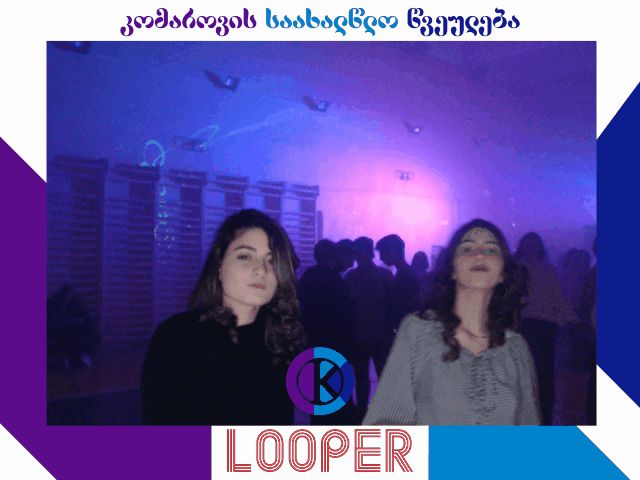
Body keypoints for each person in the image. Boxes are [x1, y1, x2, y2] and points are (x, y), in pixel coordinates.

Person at [364, 219, 539, 425]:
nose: (480, 254)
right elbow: (385, 422)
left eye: (491, 250)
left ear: (502, 273)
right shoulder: (419, 332)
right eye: (467, 249)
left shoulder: (515, 348)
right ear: (453, 269)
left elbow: (529, 427)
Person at [141, 209, 305, 425]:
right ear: (219, 265)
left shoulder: (283, 339)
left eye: (272, 260)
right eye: (245, 256)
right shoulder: (178, 337)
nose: (261, 270)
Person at [514, 232, 578, 425]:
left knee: (542, 372)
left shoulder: (547, 270)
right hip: (524, 325)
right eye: (528, 244)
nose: (531, 248)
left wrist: (572, 320)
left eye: (533, 244)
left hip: (543, 326)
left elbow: (558, 296)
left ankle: (542, 416)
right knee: (525, 371)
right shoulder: (515, 269)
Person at [344, 236, 393, 421]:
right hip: (379, 335)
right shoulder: (384, 276)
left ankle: (362, 414)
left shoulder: (351, 277)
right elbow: (390, 305)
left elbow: (347, 308)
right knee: (381, 377)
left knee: (362, 379)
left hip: (360, 335)